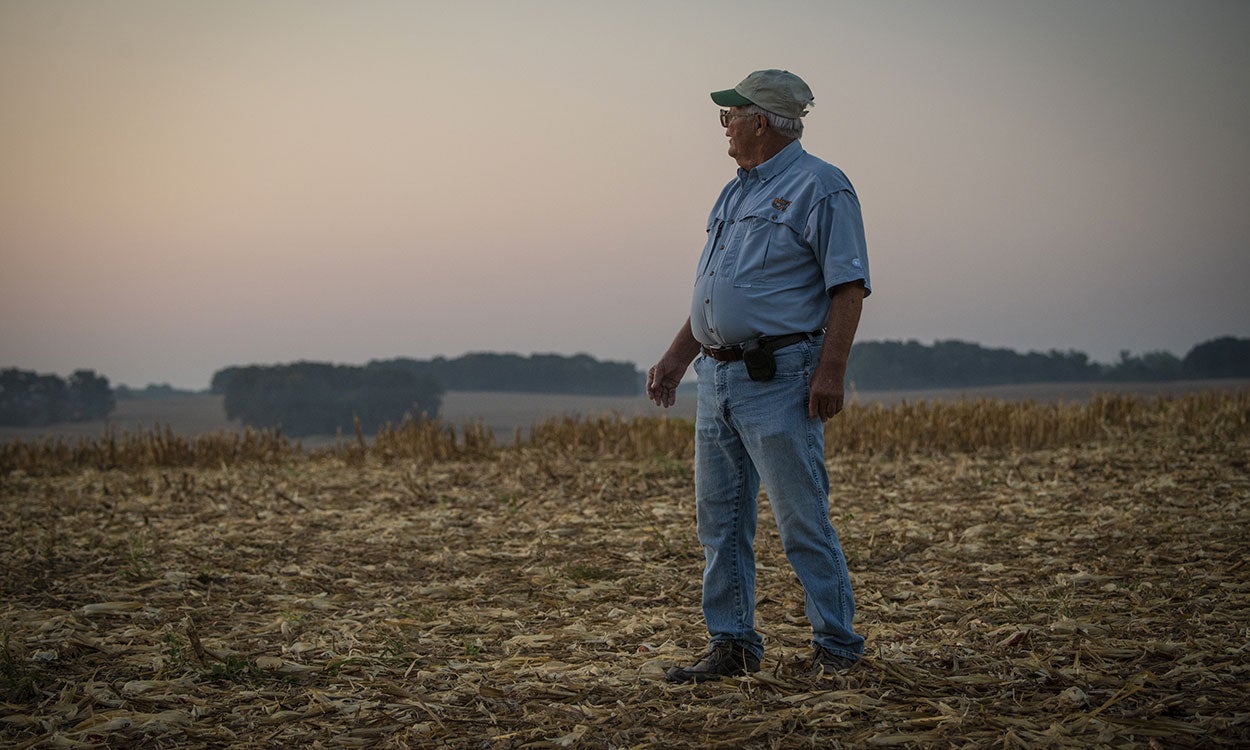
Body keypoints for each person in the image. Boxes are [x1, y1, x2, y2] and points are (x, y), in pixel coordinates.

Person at [646, 69, 871, 683]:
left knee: (802, 519)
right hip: (716, 380)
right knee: (719, 520)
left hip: (782, 377)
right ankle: (733, 644)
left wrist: (831, 372)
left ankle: (837, 649)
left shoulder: (821, 187)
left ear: (763, 120)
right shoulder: (732, 194)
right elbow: (714, 297)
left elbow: (848, 287)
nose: (723, 124)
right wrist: (675, 359)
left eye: (731, 114)